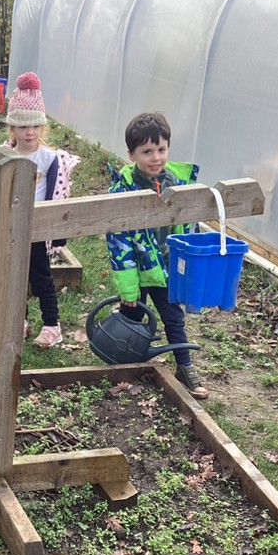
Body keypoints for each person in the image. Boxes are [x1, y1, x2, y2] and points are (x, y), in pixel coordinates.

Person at [105, 111, 209, 399]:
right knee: (133, 316)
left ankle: (185, 367)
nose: (156, 158)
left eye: (161, 149)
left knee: (174, 318)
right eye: (147, 151)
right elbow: (120, 243)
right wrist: (128, 288)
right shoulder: (124, 190)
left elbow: (188, 228)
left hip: (166, 269)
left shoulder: (179, 183)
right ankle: (126, 364)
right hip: (137, 272)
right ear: (131, 154)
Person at [5, 71, 71, 349]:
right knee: (13, 276)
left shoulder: (49, 159)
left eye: (34, 125)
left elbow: (60, 194)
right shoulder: (5, 154)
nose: (29, 132)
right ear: (13, 128)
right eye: (23, 126)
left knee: (41, 277)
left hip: (37, 230)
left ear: (42, 127)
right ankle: (19, 320)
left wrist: (57, 234)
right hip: (12, 228)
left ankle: (52, 325)